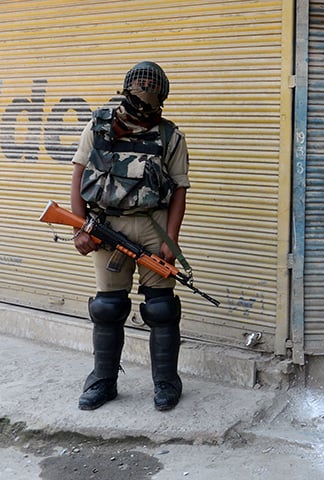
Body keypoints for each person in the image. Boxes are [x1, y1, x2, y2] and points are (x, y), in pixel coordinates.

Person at [70, 61, 191, 411]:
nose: (145, 98)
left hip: (153, 226)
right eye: (139, 89)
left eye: (151, 93)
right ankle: (103, 382)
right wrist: (80, 227)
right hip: (107, 226)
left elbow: (180, 190)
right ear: (127, 89)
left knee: (162, 308)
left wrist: (171, 240)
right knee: (108, 308)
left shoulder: (170, 135)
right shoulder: (99, 127)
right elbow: (78, 176)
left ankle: (167, 383)